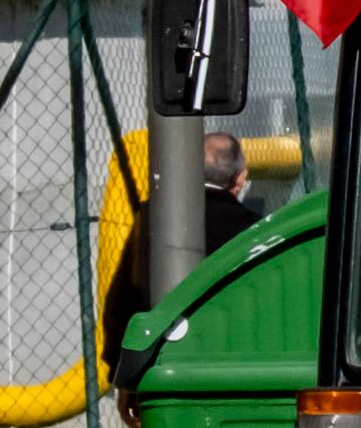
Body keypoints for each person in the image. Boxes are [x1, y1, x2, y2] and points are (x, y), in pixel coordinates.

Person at [103, 131, 258, 388]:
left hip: (162, 364)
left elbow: (123, 298)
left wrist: (124, 373)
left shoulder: (152, 218)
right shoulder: (250, 228)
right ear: (239, 179)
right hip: (229, 364)